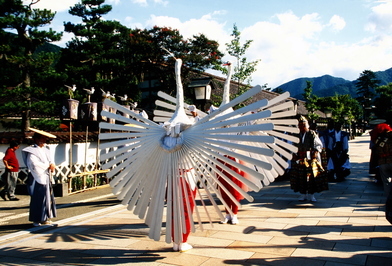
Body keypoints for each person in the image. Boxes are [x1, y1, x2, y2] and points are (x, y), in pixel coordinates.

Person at [22, 128, 57, 227]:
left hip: (46, 176)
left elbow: (50, 160)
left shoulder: (46, 149)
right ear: (36, 139)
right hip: (37, 176)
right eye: (42, 138)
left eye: (45, 139)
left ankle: (45, 217)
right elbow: (33, 164)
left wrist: (52, 164)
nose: (44, 141)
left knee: (47, 198)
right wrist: (47, 166)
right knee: (38, 198)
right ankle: (36, 219)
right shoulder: (32, 150)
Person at [289, 116, 328, 202]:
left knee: (311, 177)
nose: (302, 127)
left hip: (310, 159)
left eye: (304, 125)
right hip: (300, 158)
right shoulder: (296, 135)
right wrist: (294, 154)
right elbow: (293, 146)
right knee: (301, 177)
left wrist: (316, 152)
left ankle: (311, 195)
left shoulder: (312, 133)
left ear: (307, 125)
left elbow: (319, 145)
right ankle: (303, 194)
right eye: (300, 125)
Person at [371, 119, 392, 224]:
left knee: (386, 182)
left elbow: (375, 150)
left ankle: (389, 199)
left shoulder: (378, 139)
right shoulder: (391, 137)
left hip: (382, 163)